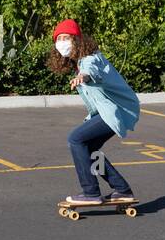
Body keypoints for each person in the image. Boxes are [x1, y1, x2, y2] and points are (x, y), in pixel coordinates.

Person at [48, 19, 139, 206]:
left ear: (77, 40)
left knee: (76, 139)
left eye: (67, 37)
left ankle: (91, 192)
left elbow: (92, 72)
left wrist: (83, 76)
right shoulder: (78, 62)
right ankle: (122, 189)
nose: (62, 42)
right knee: (89, 149)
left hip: (117, 110)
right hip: (108, 111)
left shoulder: (90, 59)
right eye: (59, 39)